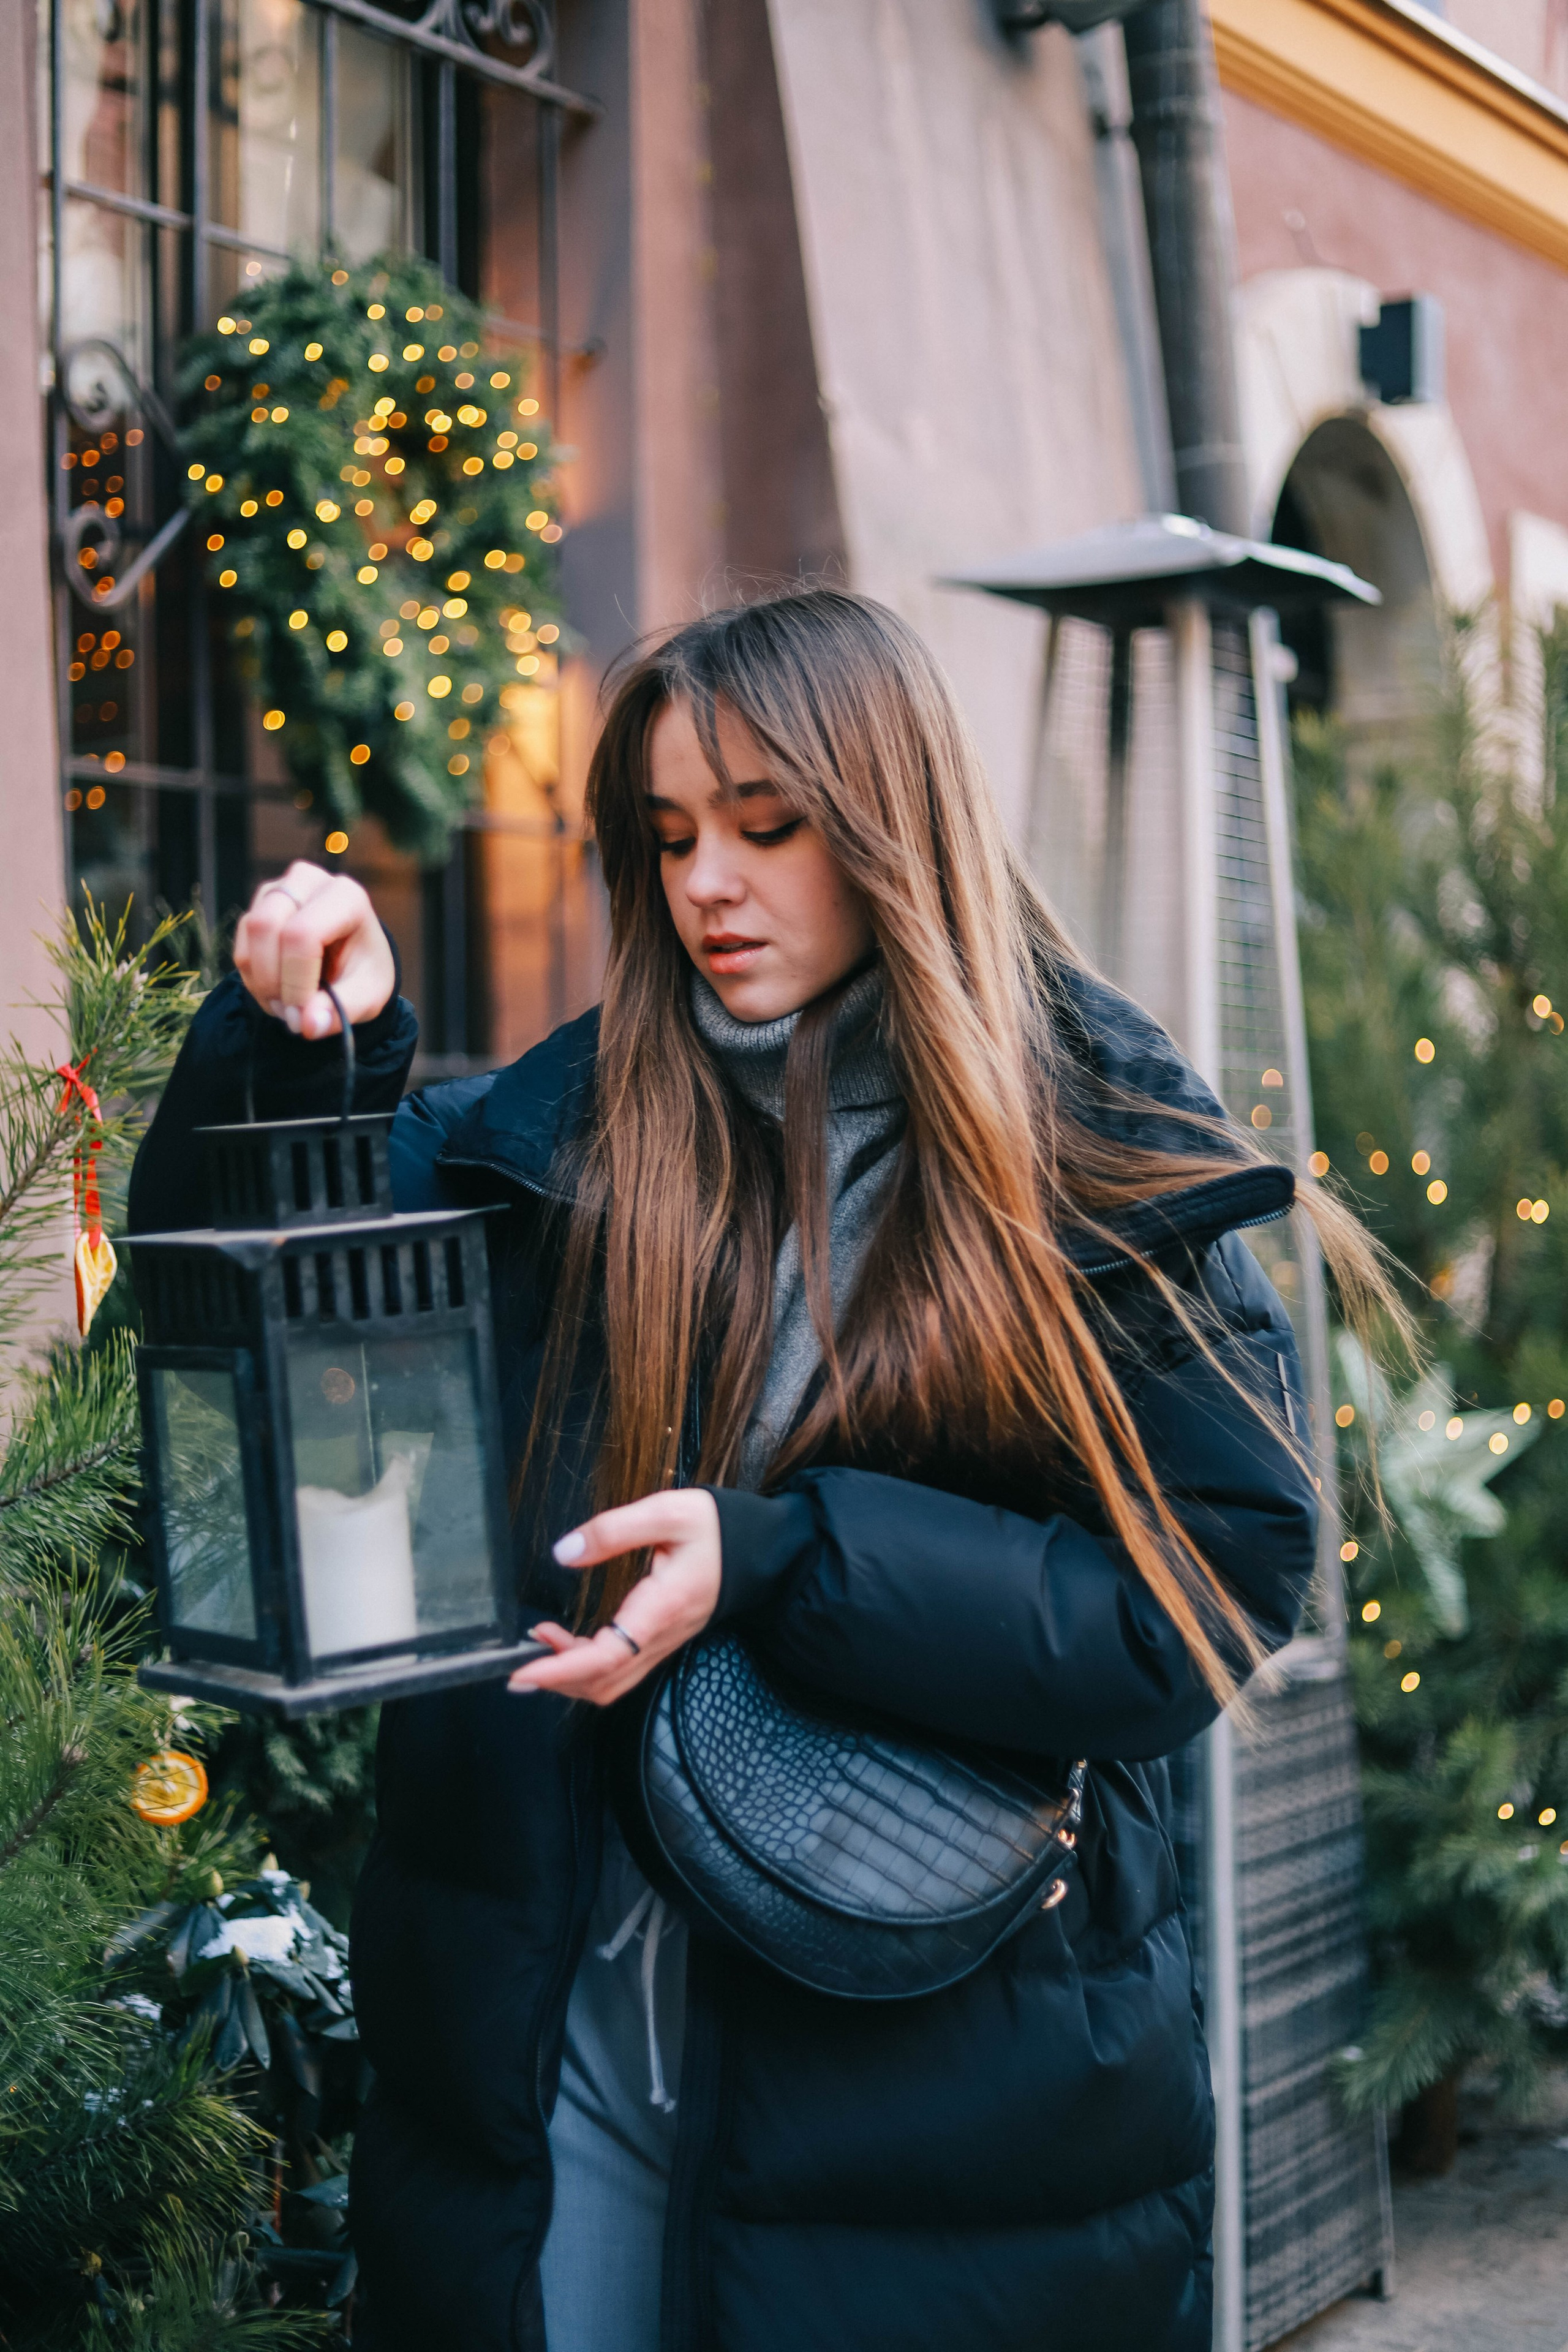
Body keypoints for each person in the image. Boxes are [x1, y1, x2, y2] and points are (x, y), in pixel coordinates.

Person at [129, 589, 1386, 2352]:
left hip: (940, 2060)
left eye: (766, 826)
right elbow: (250, 1312)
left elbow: (1199, 1592)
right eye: (669, 838)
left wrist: (788, 1558)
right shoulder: (548, 1139)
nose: (708, 884)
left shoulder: (1092, 1150)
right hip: (554, 2035)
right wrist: (303, 1045)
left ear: (891, 821)